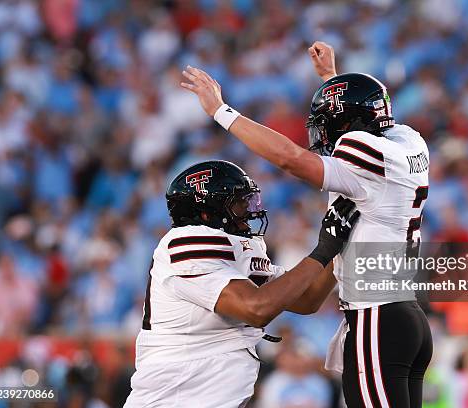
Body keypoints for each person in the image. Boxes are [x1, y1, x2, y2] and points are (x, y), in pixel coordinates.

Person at [181, 41, 433, 408]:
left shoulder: (364, 154)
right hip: (405, 317)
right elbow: (363, 128)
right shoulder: (407, 142)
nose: (324, 136)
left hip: (376, 318)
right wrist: (333, 81)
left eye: (330, 124)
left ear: (348, 126)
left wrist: (221, 111)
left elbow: (290, 159)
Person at [124, 160, 359, 408]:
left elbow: (308, 298)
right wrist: (324, 248)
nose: (249, 209)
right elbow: (257, 309)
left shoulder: (237, 246)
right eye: (239, 203)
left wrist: (342, 246)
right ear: (207, 212)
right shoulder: (185, 243)